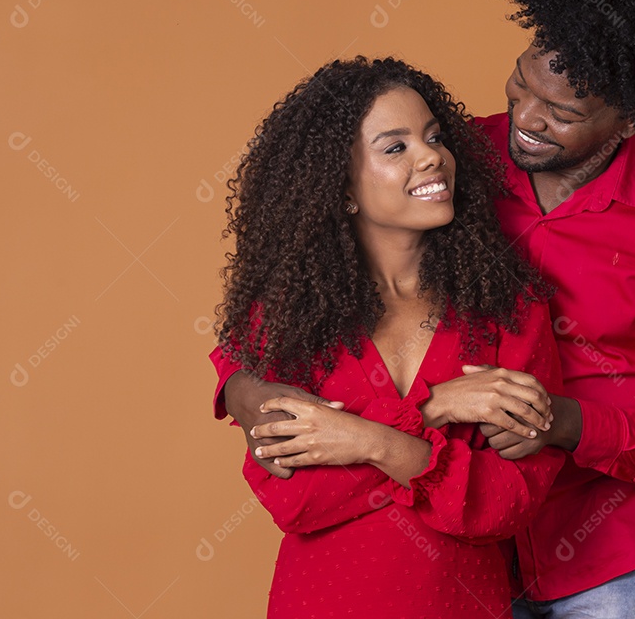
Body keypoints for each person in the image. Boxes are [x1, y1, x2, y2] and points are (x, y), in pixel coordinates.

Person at [223, 0, 635, 619]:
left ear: (633, 116)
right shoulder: (445, 164)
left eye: (562, 112)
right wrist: (249, 393)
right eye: (521, 85)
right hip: (441, 557)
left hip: (611, 560)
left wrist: (560, 421)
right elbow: (300, 296)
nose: (526, 117)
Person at [209, 56, 566, 618]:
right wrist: (432, 411)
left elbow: (507, 503)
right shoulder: (287, 317)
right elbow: (296, 500)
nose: (433, 157)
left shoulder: (510, 310)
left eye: (434, 137)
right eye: (395, 147)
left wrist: (362, 441)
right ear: (341, 186)